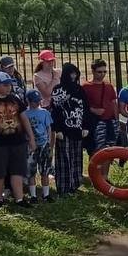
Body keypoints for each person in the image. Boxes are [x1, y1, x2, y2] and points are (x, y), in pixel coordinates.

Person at [0, 71, 36, 209]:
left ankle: (19, 199)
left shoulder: (15, 99)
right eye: (4, 85)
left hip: (18, 141)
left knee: (17, 171)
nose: (8, 87)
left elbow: (24, 119)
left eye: (9, 84)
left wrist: (31, 138)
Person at [51, 62, 89, 196]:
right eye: (71, 73)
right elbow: (54, 110)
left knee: (76, 158)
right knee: (64, 159)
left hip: (78, 129)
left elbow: (85, 108)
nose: (73, 76)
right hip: (64, 130)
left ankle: (75, 184)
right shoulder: (58, 89)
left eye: (75, 73)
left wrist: (85, 126)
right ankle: (63, 187)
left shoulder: (80, 89)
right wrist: (57, 129)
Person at [83, 59, 119, 154]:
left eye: (104, 71)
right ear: (93, 71)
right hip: (95, 123)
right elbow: (82, 105)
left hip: (110, 122)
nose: (102, 74)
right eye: (99, 72)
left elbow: (114, 103)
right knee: (95, 151)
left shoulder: (108, 86)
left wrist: (116, 121)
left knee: (109, 152)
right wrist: (93, 110)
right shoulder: (86, 86)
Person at [25, 89, 55, 202]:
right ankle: (33, 195)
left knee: (45, 171)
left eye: (38, 100)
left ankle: (45, 194)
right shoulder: (25, 114)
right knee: (31, 172)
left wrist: (50, 144)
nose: (37, 103)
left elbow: (49, 128)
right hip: (31, 146)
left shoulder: (44, 113)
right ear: (28, 101)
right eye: (34, 101)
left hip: (44, 145)